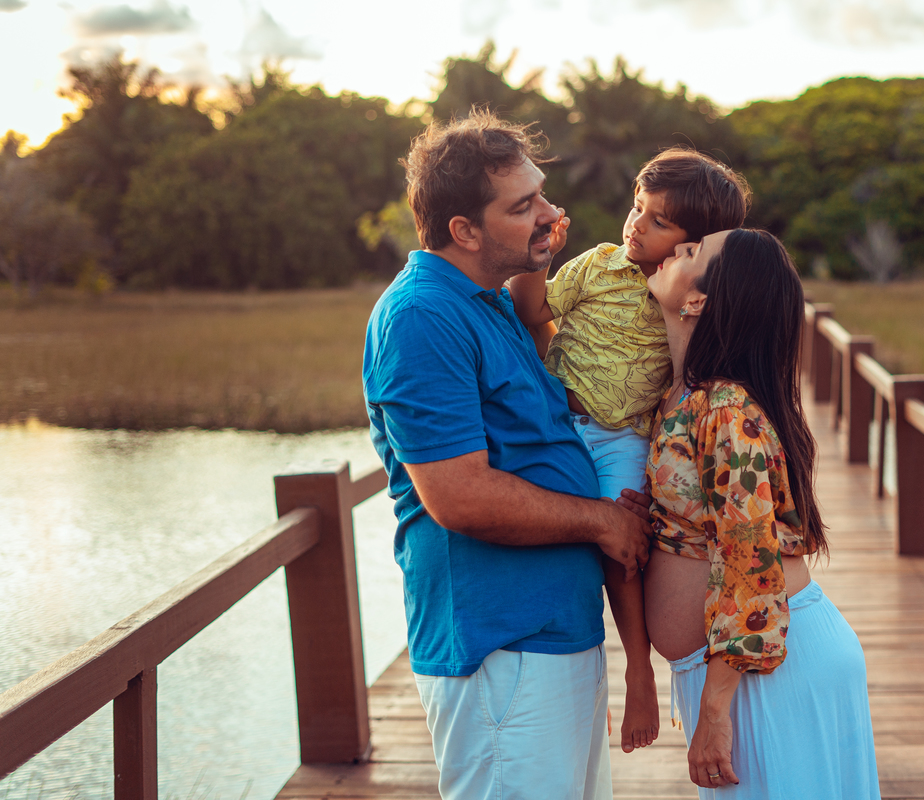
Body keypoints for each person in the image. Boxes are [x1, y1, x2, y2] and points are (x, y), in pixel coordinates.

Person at [362, 110, 653, 800]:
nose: (551, 215)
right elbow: (458, 495)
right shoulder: (422, 316)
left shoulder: (487, 302)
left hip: (552, 637)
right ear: (464, 230)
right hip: (500, 646)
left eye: (542, 195)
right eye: (523, 206)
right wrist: (602, 521)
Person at [508, 148, 750, 753]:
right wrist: (541, 257)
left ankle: (637, 669)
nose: (636, 224)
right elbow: (532, 309)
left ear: (697, 244)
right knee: (547, 533)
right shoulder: (597, 266)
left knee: (625, 539)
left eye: (659, 220)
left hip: (624, 437)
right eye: (638, 207)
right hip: (562, 424)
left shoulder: (688, 296)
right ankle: (550, 665)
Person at [642, 228, 882, 798]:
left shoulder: (724, 407)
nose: (675, 248)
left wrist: (716, 709)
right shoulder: (684, 396)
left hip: (761, 669)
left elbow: (751, 561)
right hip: (742, 664)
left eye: (693, 251)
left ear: (698, 300)